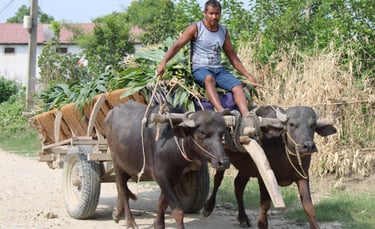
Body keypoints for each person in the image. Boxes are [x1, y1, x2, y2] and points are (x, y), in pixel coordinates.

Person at [156, 0, 258, 118]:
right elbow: (177, 46)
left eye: (217, 13)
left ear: (220, 14)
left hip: (218, 70)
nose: (214, 17)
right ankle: (220, 110)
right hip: (200, 69)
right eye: (211, 13)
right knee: (209, 79)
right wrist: (163, 63)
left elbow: (232, 56)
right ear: (205, 13)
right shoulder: (196, 28)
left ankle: (246, 114)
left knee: (237, 85)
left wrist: (248, 75)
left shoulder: (223, 31)